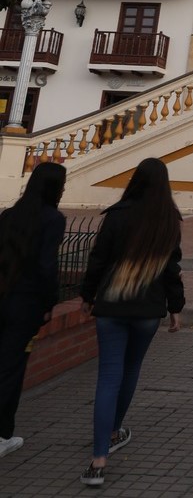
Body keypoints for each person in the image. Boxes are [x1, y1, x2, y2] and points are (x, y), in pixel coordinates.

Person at [79, 157, 184, 487]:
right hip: (147, 309)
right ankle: (113, 431)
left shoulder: (117, 215)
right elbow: (171, 270)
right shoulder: (169, 220)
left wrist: (87, 295)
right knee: (130, 370)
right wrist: (176, 307)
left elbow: (98, 260)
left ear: (135, 181)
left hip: (112, 305)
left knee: (108, 377)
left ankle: (98, 460)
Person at [0, 162, 67, 458]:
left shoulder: (10, 215)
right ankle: (2, 433)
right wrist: (49, 302)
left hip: (3, 296)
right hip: (25, 304)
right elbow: (46, 266)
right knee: (11, 369)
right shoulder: (52, 219)